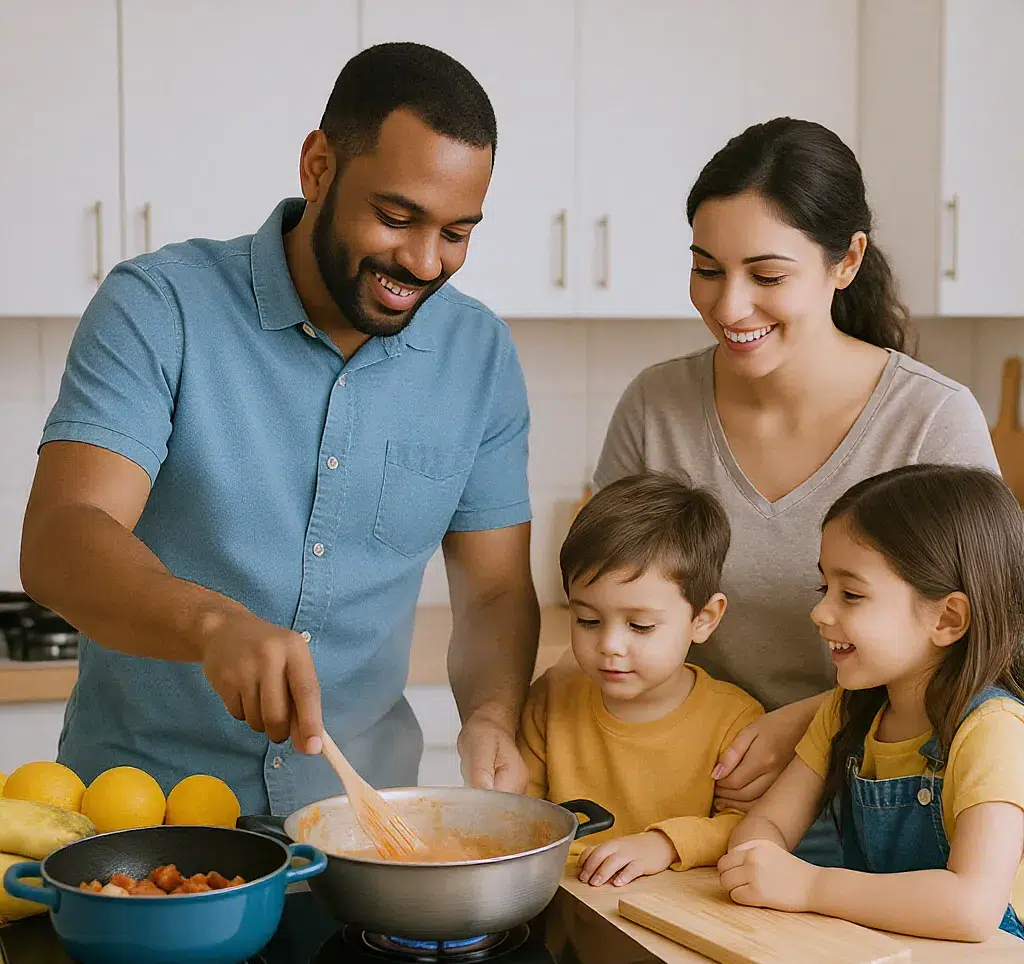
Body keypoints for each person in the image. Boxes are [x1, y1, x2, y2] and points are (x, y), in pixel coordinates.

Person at [19, 43, 541, 815]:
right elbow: (63, 537)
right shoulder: (160, 308)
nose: (426, 262)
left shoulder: (480, 356)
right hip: (142, 818)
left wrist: (494, 713)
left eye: (458, 232)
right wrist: (210, 624)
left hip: (359, 825)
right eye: (397, 217)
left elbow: (494, 591)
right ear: (318, 167)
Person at [569, 117, 1001, 865]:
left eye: (767, 276)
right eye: (707, 269)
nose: (730, 307)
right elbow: (606, 593)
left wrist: (807, 724)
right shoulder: (655, 405)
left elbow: (996, 640)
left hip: (872, 807)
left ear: (847, 260)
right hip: (684, 807)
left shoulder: (929, 418)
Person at [719, 465, 1024, 941]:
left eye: (852, 594)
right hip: (883, 956)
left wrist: (811, 885)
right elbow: (767, 825)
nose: (820, 612)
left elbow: (972, 908)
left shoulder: (994, 730)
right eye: (825, 588)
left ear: (947, 618)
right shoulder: (847, 711)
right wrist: (757, 861)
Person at [518, 473, 764, 887]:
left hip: (675, 915)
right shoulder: (551, 697)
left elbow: (748, 825)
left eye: (641, 625)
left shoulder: (735, 719)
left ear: (703, 619)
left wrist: (663, 845)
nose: (610, 645)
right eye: (588, 620)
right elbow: (521, 813)